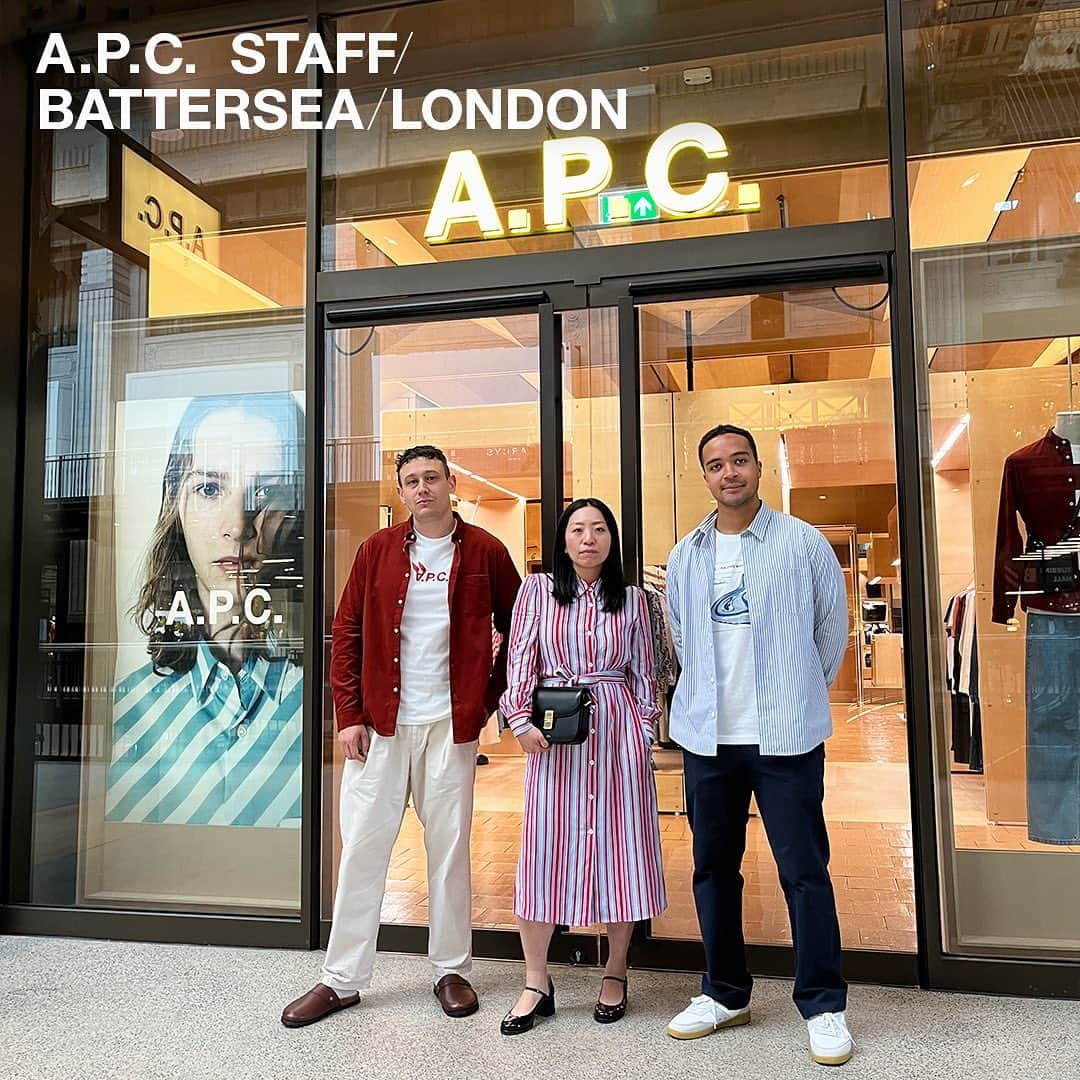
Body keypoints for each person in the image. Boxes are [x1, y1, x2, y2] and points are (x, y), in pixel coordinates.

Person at [281, 444, 521, 1028]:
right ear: (401, 490)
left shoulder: (488, 552)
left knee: (449, 853)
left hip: (450, 728)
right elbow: (346, 632)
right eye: (411, 480)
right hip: (380, 729)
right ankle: (341, 980)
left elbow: (523, 631)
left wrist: (487, 702)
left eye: (431, 478)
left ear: (450, 483)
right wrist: (349, 715)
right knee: (362, 848)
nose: (422, 489)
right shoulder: (376, 551)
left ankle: (451, 969)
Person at [663, 424, 853, 1067]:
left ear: (758, 468)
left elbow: (832, 628)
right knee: (714, 869)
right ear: (706, 477)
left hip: (786, 738)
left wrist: (795, 692)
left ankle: (824, 1004)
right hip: (709, 739)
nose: (729, 473)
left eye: (739, 460)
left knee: (804, 872)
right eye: (715, 465)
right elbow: (683, 639)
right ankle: (724, 993)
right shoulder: (686, 554)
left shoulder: (802, 544)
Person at [498, 498, 666, 1035]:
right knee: (545, 849)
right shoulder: (537, 591)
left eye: (598, 529)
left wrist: (642, 732)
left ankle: (615, 970)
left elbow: (646, 672)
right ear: (564, 540)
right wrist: (520, 720)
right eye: (577, 529)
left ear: (611, 540)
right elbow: (520, 656)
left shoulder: (636, 601)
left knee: (621, 850)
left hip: (618, 734)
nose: (588, 538)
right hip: (556, 732)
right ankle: (535, 980)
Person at [108, 392, 304, 829]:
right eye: (210, 488)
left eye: (267, 491)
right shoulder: (133, 706)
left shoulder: (326, 699)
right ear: (176, 503)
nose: (237, 525)